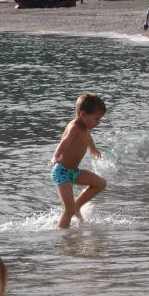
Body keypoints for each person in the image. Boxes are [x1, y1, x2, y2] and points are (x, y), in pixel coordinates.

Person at [50, 93, 107, 229]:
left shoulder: (85, 128)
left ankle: (78, 206)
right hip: (62, 173)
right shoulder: (74, 127)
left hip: (73, 172)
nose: (98, 122)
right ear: (82, 115)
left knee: (100, 184)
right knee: (68, 210)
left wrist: (93, 149)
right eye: (96, 118)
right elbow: (64, 142)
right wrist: (55, 156)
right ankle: (63, 235)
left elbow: (88, 138)